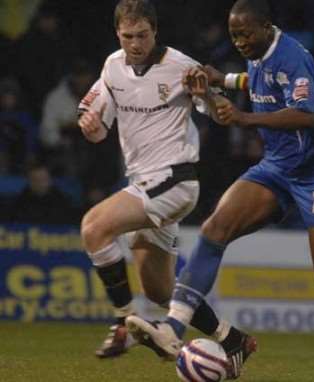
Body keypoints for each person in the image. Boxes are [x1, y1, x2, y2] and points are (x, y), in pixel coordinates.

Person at [128, 1, 314, 381]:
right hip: (277, 166)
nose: (239, 41)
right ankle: (171, 331)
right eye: (234, 35)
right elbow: (258, 80)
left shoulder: (293, 57)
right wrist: (224, 80)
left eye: (245, 34)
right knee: (212, 231)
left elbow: (305, 115)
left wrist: (244, 117)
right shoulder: (258, 51)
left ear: (267, 27)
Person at [77, 0, 255, 377]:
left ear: (155, 31)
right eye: (128, 36)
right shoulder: (112, 66)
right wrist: (90, 126)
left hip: (175, 179)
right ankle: (232, 338)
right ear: (118, 35)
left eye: (142, 35)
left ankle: (123, 323)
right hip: (144, 184)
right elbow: (94, 118)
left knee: (94, 227)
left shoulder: (180, 66)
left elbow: (219, 112)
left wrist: (208, 94)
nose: (136, 43)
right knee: (159, 291)